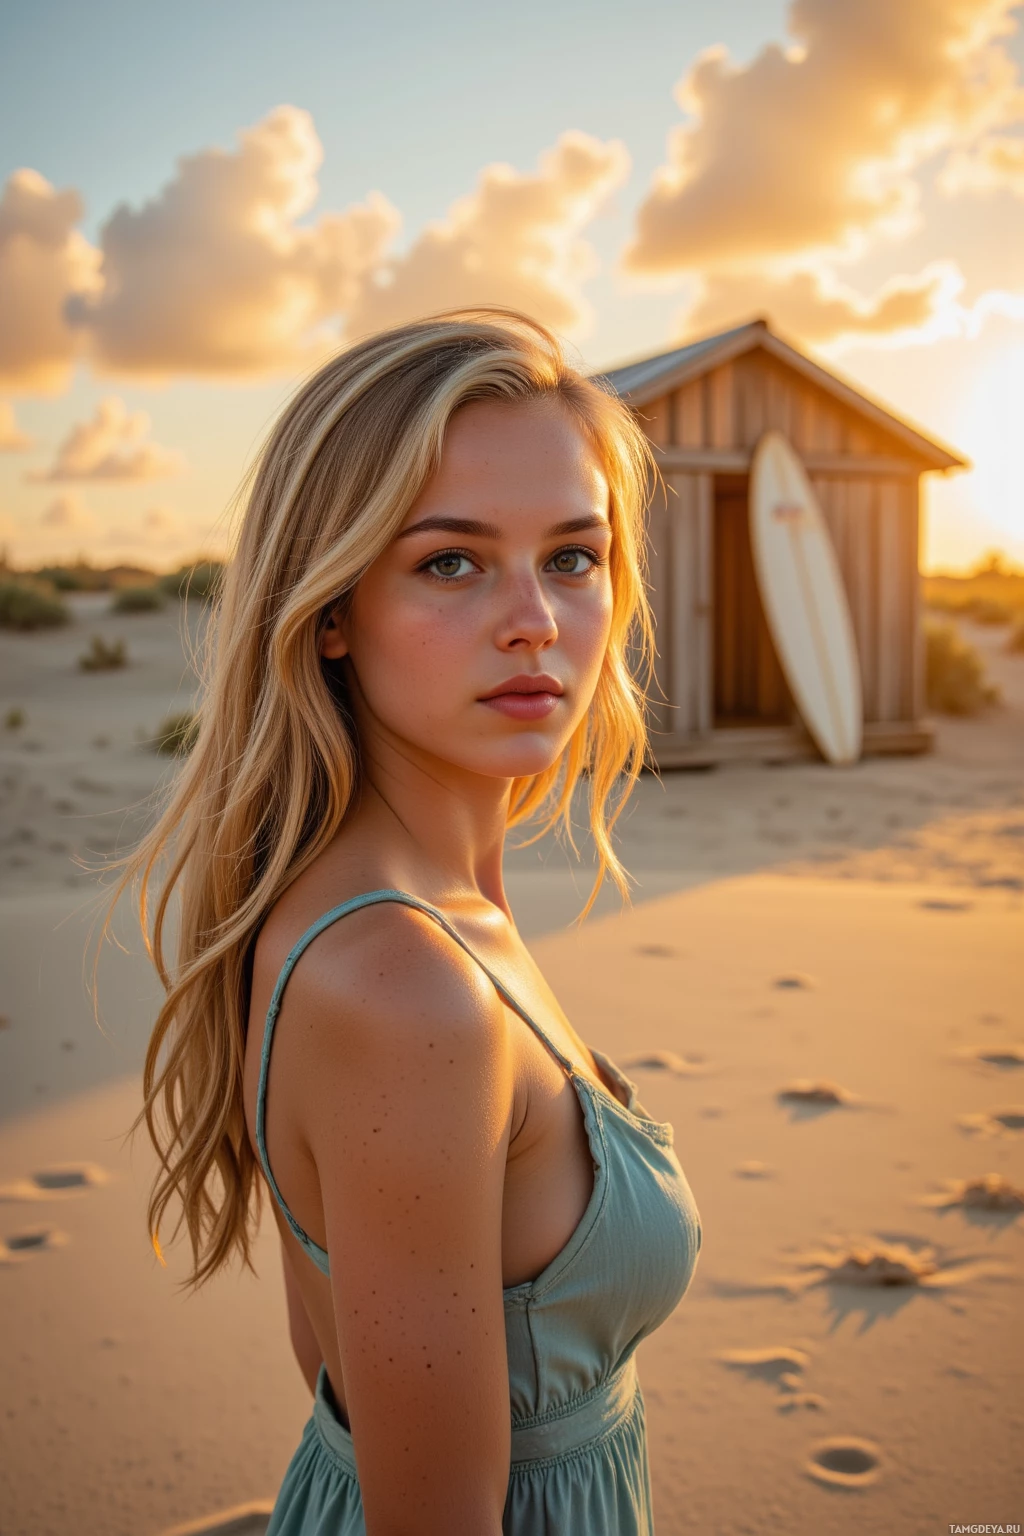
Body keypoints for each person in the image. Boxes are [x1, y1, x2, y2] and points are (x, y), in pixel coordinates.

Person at [106, 308, 702, 1535]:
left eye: (573, 557)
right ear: (330, 608)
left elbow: (334, 1358)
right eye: (451, 563)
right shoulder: (403, 984)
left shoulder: (422, 908)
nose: (535, 619)